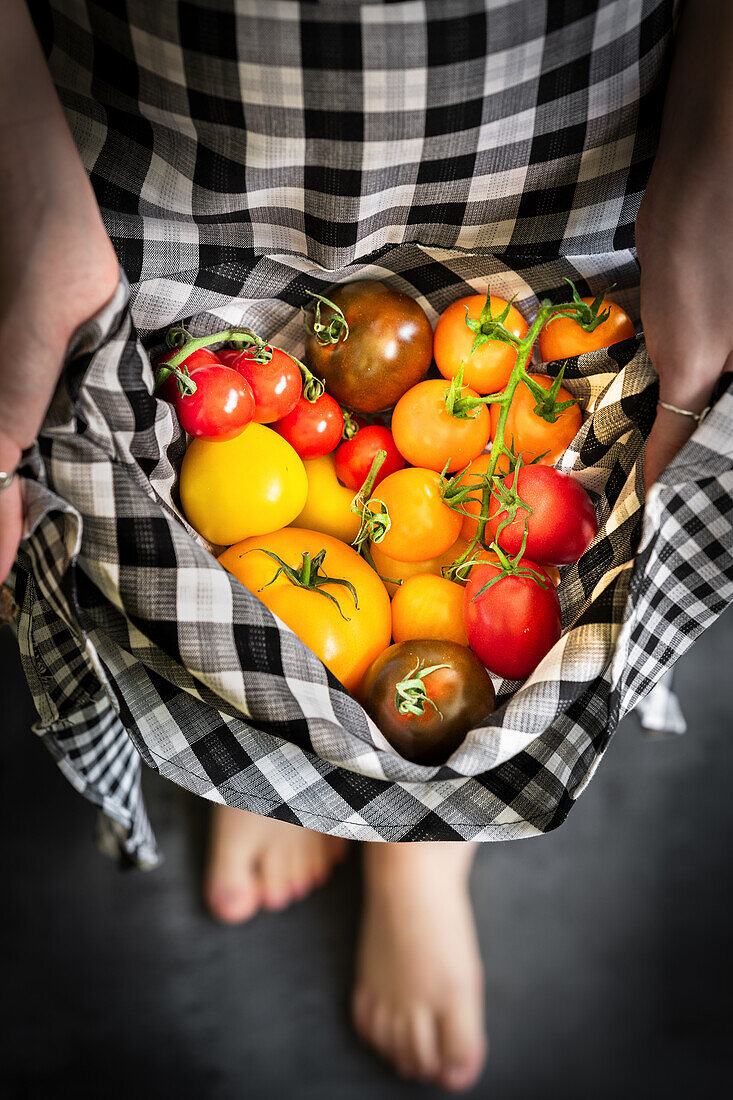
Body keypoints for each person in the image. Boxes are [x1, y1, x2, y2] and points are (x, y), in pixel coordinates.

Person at [1, 0, 730, 1091]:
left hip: (567, 122)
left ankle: (419, 849)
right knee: (184, 562)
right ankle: (289, 771)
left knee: (510, 641)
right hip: (162, 140)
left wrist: (721, 136)